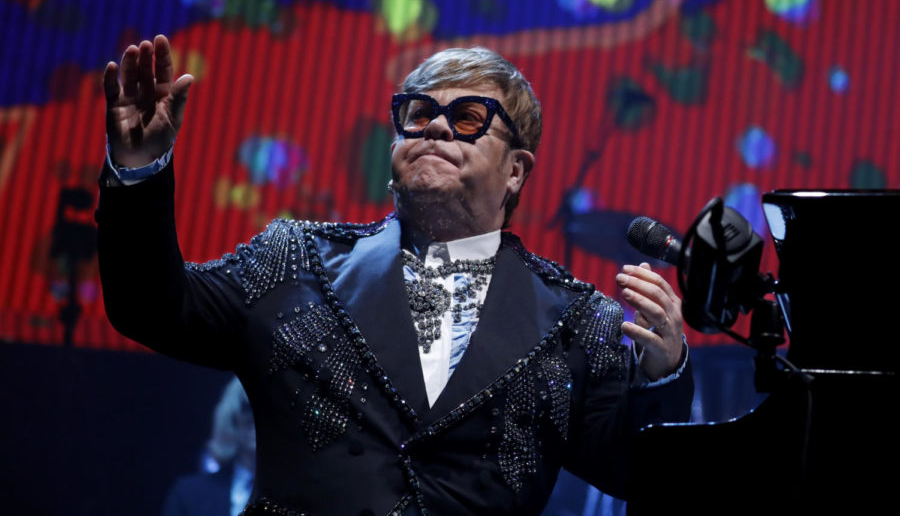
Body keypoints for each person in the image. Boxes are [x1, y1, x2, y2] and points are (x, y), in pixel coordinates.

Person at [97, 35, 692, 515]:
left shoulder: (575, 321)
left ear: (516, 171)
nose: (434, 128)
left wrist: (664, 374)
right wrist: (140, 172)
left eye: (466, 118)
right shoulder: (294, 259)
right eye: (418, 114)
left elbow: (635, 474)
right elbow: (152, 307)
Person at [161, 377, 257, 516]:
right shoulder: (190, 494)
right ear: (232, 418)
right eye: (248, 408)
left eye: (272, 410)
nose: (259, 419)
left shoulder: (298, 493)